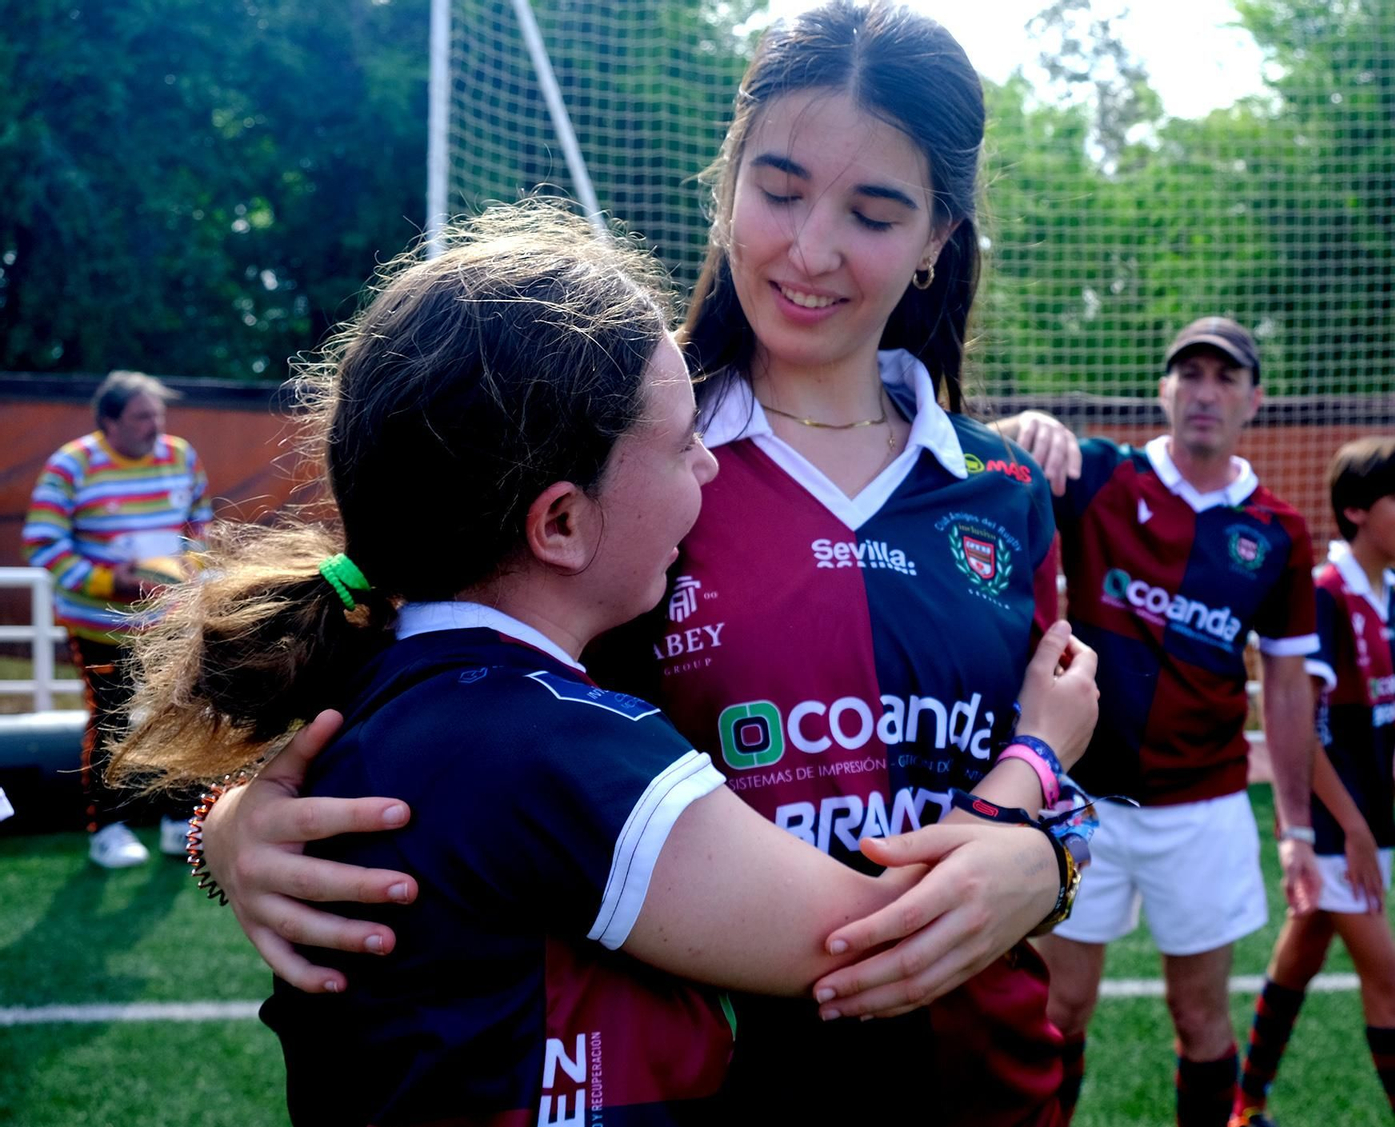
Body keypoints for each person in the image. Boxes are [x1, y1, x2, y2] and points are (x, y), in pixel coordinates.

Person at [193, 4, 1098, 1122]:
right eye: (777, 189)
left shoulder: (1002, 491)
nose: (809, 248)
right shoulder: (604, 436)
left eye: (871, 212)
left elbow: (1055, 763)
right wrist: (231, 827)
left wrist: (1050, 845)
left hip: (990, 1085)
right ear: (725, 184)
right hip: (714, 1089)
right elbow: (377, 645)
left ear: (935, 239)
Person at [1001, 317, 1382, 1127]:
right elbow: (984, 458)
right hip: (1083, 799)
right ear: (1164, 390)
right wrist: (1017, 431)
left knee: (1201, 1017)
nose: (1206, 392)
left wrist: (1295, 829)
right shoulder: (1101, 475)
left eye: (1225, 377)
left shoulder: (1277, 531)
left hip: (1203, 808)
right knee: (1060, 1009)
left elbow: (1284, 689)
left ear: (1255, 398)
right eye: (1190, 375)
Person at [1232, 436, 1395, 1127]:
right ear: (1356, 509)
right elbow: (1300, 727)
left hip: (1369, 815)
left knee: (1299, 958)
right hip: (1334, 826)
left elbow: (1371, 702)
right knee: (1392, 987)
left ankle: (1244, 1108)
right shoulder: (1325, 596)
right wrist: (1353, 828)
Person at [24, 369, 210, 868]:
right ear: (109, 421)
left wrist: (184, 568)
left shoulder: (180, 454)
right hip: (99, 624)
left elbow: (198, 521)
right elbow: (43, 543)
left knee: (181, 714)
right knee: (110, 720)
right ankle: (107, 827)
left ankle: (181, 822)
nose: (154, 425)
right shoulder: (71, 466)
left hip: (169, 619)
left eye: (158, 414)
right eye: (141, 416)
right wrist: (113, 581)